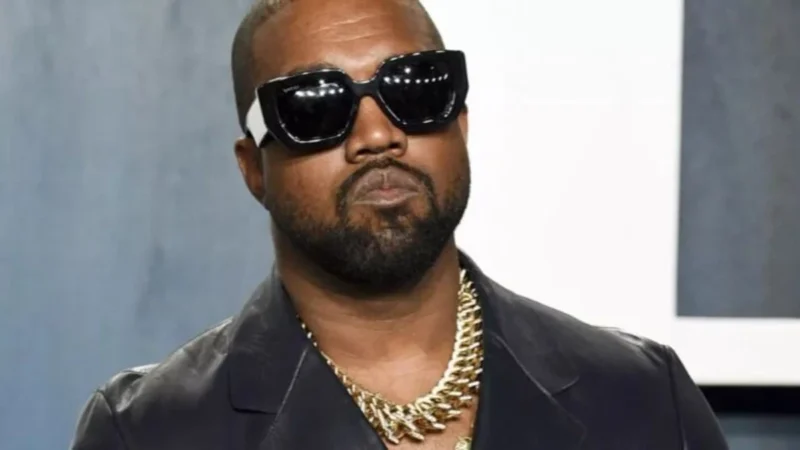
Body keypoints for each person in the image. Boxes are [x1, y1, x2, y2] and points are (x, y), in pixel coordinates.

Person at [70, 0, 729, 448]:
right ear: (253, 169)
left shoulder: (642, 397)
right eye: (315, 106)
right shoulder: (151, 432)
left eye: (416, 88)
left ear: (461, 123)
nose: (378, 135)